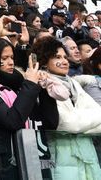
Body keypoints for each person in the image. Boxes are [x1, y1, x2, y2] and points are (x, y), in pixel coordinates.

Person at [0, 36, 59, 178]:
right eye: (4, 58)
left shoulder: (22, 83)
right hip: (4, 166)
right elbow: (12, 121)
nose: (10, 62)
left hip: (35, 160)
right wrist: (31, 85)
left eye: (12, 57)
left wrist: (45, 89)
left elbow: (50, 122)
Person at [36, 36, 101, 179]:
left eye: (65, 57)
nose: (64, 61)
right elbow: (67, 123)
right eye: (57, 57)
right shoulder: (43, 84)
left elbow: (97, 116)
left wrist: (79, 124)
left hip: (88, 156)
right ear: (44, 61)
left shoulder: (74, 84)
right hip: (60, 157)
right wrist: (83, 123)